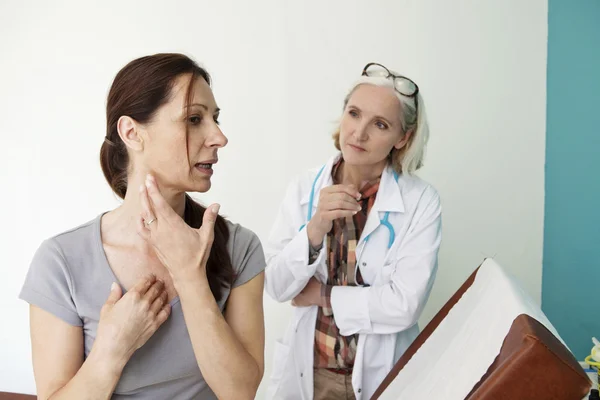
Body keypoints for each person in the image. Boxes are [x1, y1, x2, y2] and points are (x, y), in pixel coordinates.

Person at [19, 53, 265, 399]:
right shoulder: (61, 261)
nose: (219, 137)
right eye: (194, 119)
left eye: (215, 119)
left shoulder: (239, 247)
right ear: (132, 133)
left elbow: (240, 393)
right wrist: (113, 349)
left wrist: (190, 279)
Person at [264, 63, 442, 400]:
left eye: (380, 124)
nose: (359, 133)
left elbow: (405, 304)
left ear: (402, 138)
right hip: (311, 374)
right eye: (354, 114)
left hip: (382, 377)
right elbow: (276, 285)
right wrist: (315, 228)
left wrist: (323, 296)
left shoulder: (421, 202)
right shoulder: (304, 188)